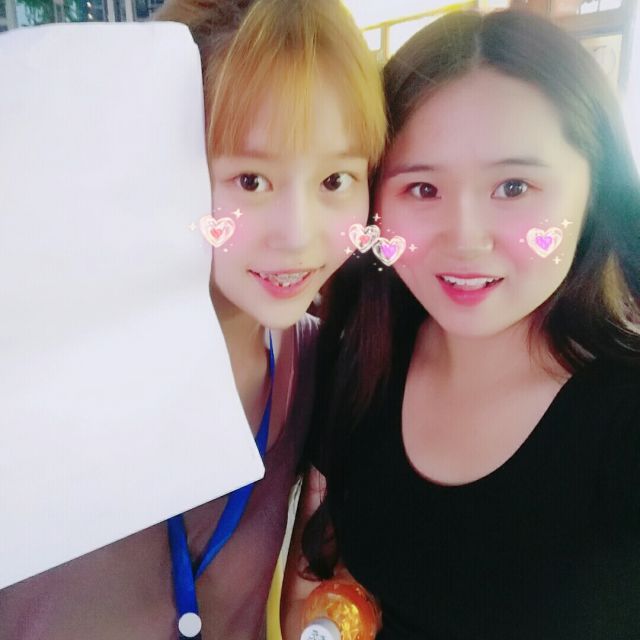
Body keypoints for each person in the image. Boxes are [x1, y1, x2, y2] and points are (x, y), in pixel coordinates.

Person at [0, 1, 385, 639]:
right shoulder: (36, 359)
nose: (298, 235)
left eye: (336, 179)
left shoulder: (315, 362)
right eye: (250, 180)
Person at [283, 9, 640, 640]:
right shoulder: (359, 359)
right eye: (422, 189)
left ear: (595, 193)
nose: (466, 240)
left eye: (514, 187)